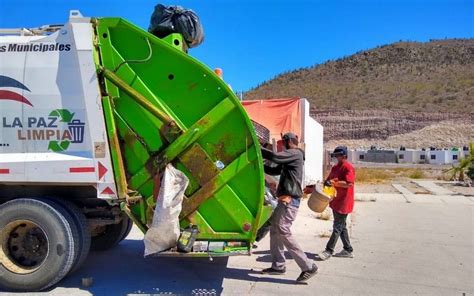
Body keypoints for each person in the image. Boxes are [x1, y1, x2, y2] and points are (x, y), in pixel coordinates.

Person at [260, 132, 318, 283]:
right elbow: (273, 170)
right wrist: (259, 163)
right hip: (285, 200)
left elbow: (275, 157)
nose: (281, 146)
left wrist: (256, 148)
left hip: (290, 200)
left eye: (283, 143)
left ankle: (308, 266)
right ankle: (278, 265)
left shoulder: (295, 153)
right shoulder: (291, 159)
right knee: (275, 228)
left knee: (283, 230)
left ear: (289, 142)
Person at [317, 146, 355, 260]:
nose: (337, 157)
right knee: (341, 226)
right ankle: (348, 249)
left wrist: (334, 184)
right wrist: (326, 183)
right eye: (335, 155)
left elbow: (349, 184)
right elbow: (329, 180)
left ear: (344, 155)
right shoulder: (335, 167)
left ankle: (329, 250)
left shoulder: (348, 167)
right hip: (336, 201)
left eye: (338, 155)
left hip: (344, 202)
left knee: (337, 227)